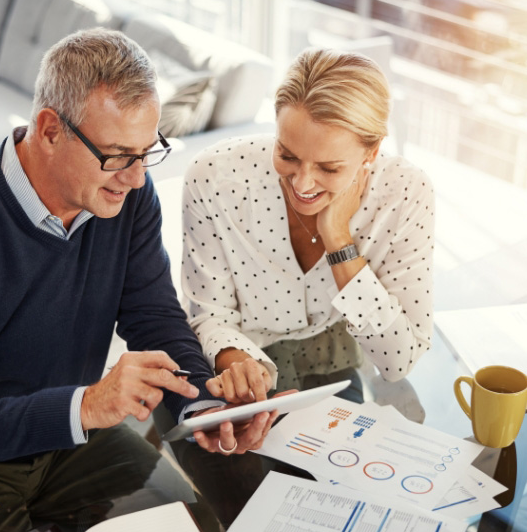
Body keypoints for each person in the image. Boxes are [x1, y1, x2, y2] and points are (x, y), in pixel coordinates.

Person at [0, 27, 277, 523]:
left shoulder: (127, 195)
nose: (138, 177)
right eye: (118, 156)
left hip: (65, 439)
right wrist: (86, 407)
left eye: (147, 152)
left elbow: (155, 316)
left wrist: (204, 404)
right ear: (50, 129)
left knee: (197, 529)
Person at [181, 47, 435, 403]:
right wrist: (238, 366)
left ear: (372, 152)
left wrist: (339, 241)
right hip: (233, 358)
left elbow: (398, 360)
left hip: (333, 358)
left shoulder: (405, 194)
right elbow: (209, 314)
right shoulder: (214, 178)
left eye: (329, 168)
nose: (301, 184)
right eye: (287, 155)